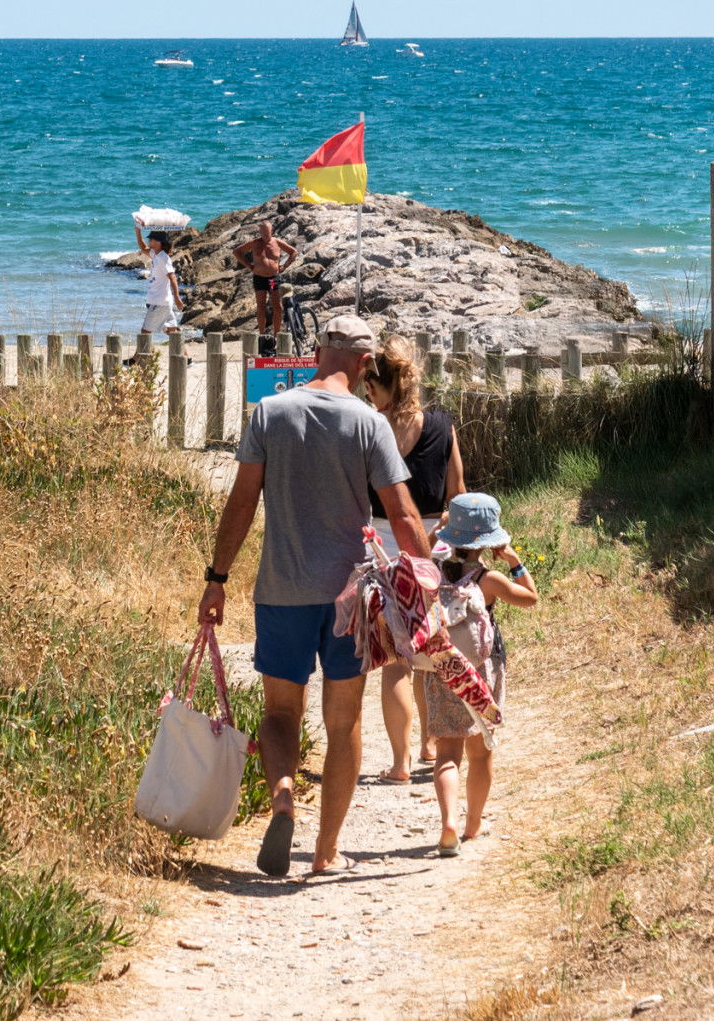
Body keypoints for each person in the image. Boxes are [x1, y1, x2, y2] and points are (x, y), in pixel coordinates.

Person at [199, 315, 436, 878]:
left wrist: (217, 578)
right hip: (349, 599)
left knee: (280, 712)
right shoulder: (369, 423)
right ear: (364, 363)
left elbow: (241, 502)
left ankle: (283, 795)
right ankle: (326, 851)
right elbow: (403, 514)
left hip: (280, 589)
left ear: (315, 352)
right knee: (344, 720)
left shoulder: (270, 412)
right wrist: (430, 587)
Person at [359, 335, 465, 783]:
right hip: (432, 548)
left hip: (382, 552)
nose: (367, 396)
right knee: (430, 651)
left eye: (369, 389)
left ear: (378, 386)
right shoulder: (442, 426)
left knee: (395, 662)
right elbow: (457, 496)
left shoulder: (369, 429)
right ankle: (429, 743)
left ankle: (400, 763)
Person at [415, 491, 536, 855]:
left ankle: (448, 822)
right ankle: (473, 824)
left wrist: (435, 532)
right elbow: (531, 598)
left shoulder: (432, 572)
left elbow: (418, 557)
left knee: (447, 753)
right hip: (483, 670)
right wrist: (513, 559)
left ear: (451, 534)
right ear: (489, 539)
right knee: (480, 753)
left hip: (443, 668)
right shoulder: (490, 580)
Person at [230, 219, 300, 351]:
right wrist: (249, 266)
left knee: (277, 306)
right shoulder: (255, 243)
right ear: (260, 232)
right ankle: (262, 335)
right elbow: (236, 252)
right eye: (263, 232)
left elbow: (293, 252)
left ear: (271, 231)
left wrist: (284, 266)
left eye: (268, 232)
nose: (266, 235)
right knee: (261, 306)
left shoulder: (277, 242)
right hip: (260, 278)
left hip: (272, 279)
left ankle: (277, 336)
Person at [135, 219, 184, 342]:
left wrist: (177, 298)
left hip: (159, 302)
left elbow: (172, 277)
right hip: (162, 301)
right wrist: (138, 231)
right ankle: (184, 354)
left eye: (151, 239)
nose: (149, 241)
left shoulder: (163, 258)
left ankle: (140, 354)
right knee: (172, 332)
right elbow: (143, 247)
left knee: (145, 332)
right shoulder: (155, 254)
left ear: (159, 242)